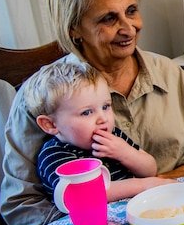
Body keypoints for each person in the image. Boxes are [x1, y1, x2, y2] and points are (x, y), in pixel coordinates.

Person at [1, 0, 184, 225]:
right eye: (109, 18)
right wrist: (103, 217)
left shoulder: (169, 72)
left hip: (180, 214)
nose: (129, 29)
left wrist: (157, 189)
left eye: (131, 11)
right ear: (74, 29)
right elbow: (21, 206)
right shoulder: (39, 98)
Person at [21, 61, 167, 204]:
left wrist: (126, 153)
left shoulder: (113, 136)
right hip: (92, 224)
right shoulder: (54, 155)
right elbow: (85, 193)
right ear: (50, 124)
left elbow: (150, 170)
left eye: (106, 106)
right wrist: (142, 185)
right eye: (86, 112)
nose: (103, 118)